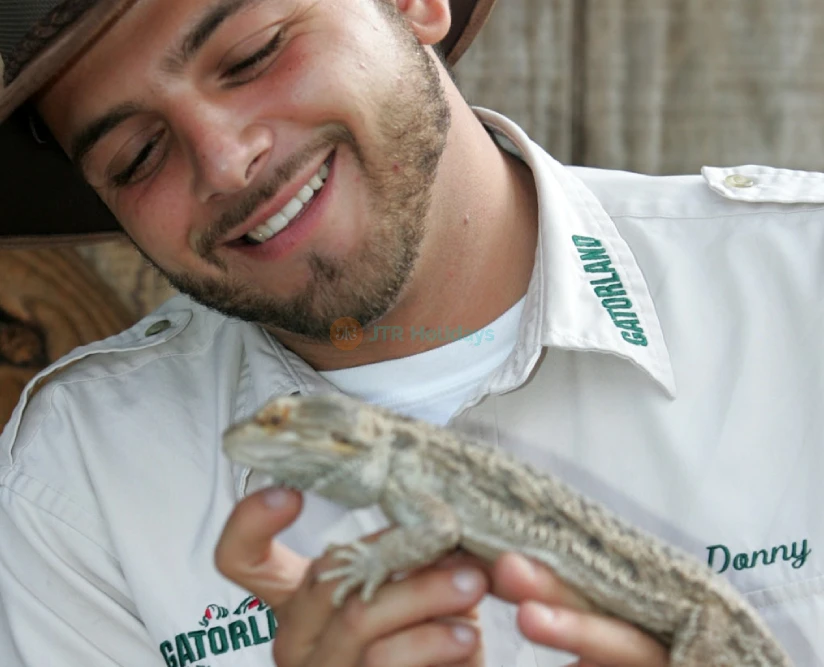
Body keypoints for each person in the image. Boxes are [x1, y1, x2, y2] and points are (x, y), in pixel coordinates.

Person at [0, 0, 820, 665]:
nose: (225, 162)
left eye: (253, 54)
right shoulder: (75, 483)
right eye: (139, 154)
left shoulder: (802, 280)